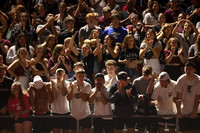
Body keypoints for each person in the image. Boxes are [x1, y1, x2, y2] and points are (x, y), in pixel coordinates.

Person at [175, 61, 200, 132]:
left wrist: (194, 112)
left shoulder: (198, 80)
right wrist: (179, 111)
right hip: (184, 111)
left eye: (190, 69)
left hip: (196, 110)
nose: (188, 71)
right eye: (186, 69)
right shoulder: (181, 80)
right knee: (185, 131)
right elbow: (178, 98)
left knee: (196, 130)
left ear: (194, 70)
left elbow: (197, 98)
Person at [133, 65, 157, 133]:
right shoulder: (136, 81)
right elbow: (134, 94)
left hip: (151, 107)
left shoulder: (155, 82)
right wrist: (138, 96)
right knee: (140, 129)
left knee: (152, 129)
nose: (146, 76)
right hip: (141, 107)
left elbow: (153, 94)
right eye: (144, 74)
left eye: (147, 75)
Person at [50, 68, 70, 133]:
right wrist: (53, 85)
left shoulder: (67, 83)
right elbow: (54, 95)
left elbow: (64, 94)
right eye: (57, 74)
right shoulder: (52, 82)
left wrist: (62, 82)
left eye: (60, 74)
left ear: (63, 75)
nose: (58, 76)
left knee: (65, 131)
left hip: (65, 111)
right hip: (55, 111)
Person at [0, 66, 14, 133]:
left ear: (4, 72)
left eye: (1, 70)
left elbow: (14, 95)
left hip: (9, 110)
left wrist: (7, 106)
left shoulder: (10, 82)